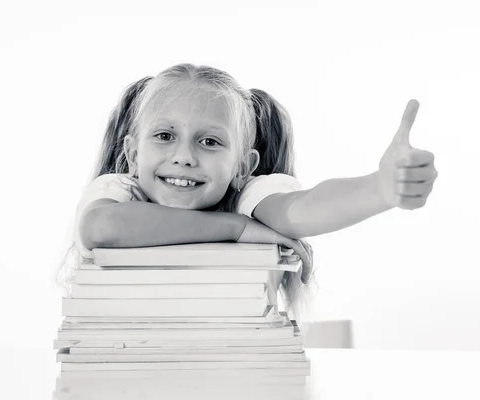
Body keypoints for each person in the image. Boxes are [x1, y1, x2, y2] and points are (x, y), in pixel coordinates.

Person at [57, 63, 438, 320]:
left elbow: (300, 211)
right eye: (164, 136)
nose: (184, 157)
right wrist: (237, 228)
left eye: (209, 141)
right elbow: (101, 228)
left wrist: (379, 189)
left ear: (243, 166)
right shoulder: (121, 190)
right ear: (132, 153)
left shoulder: (247, 194)